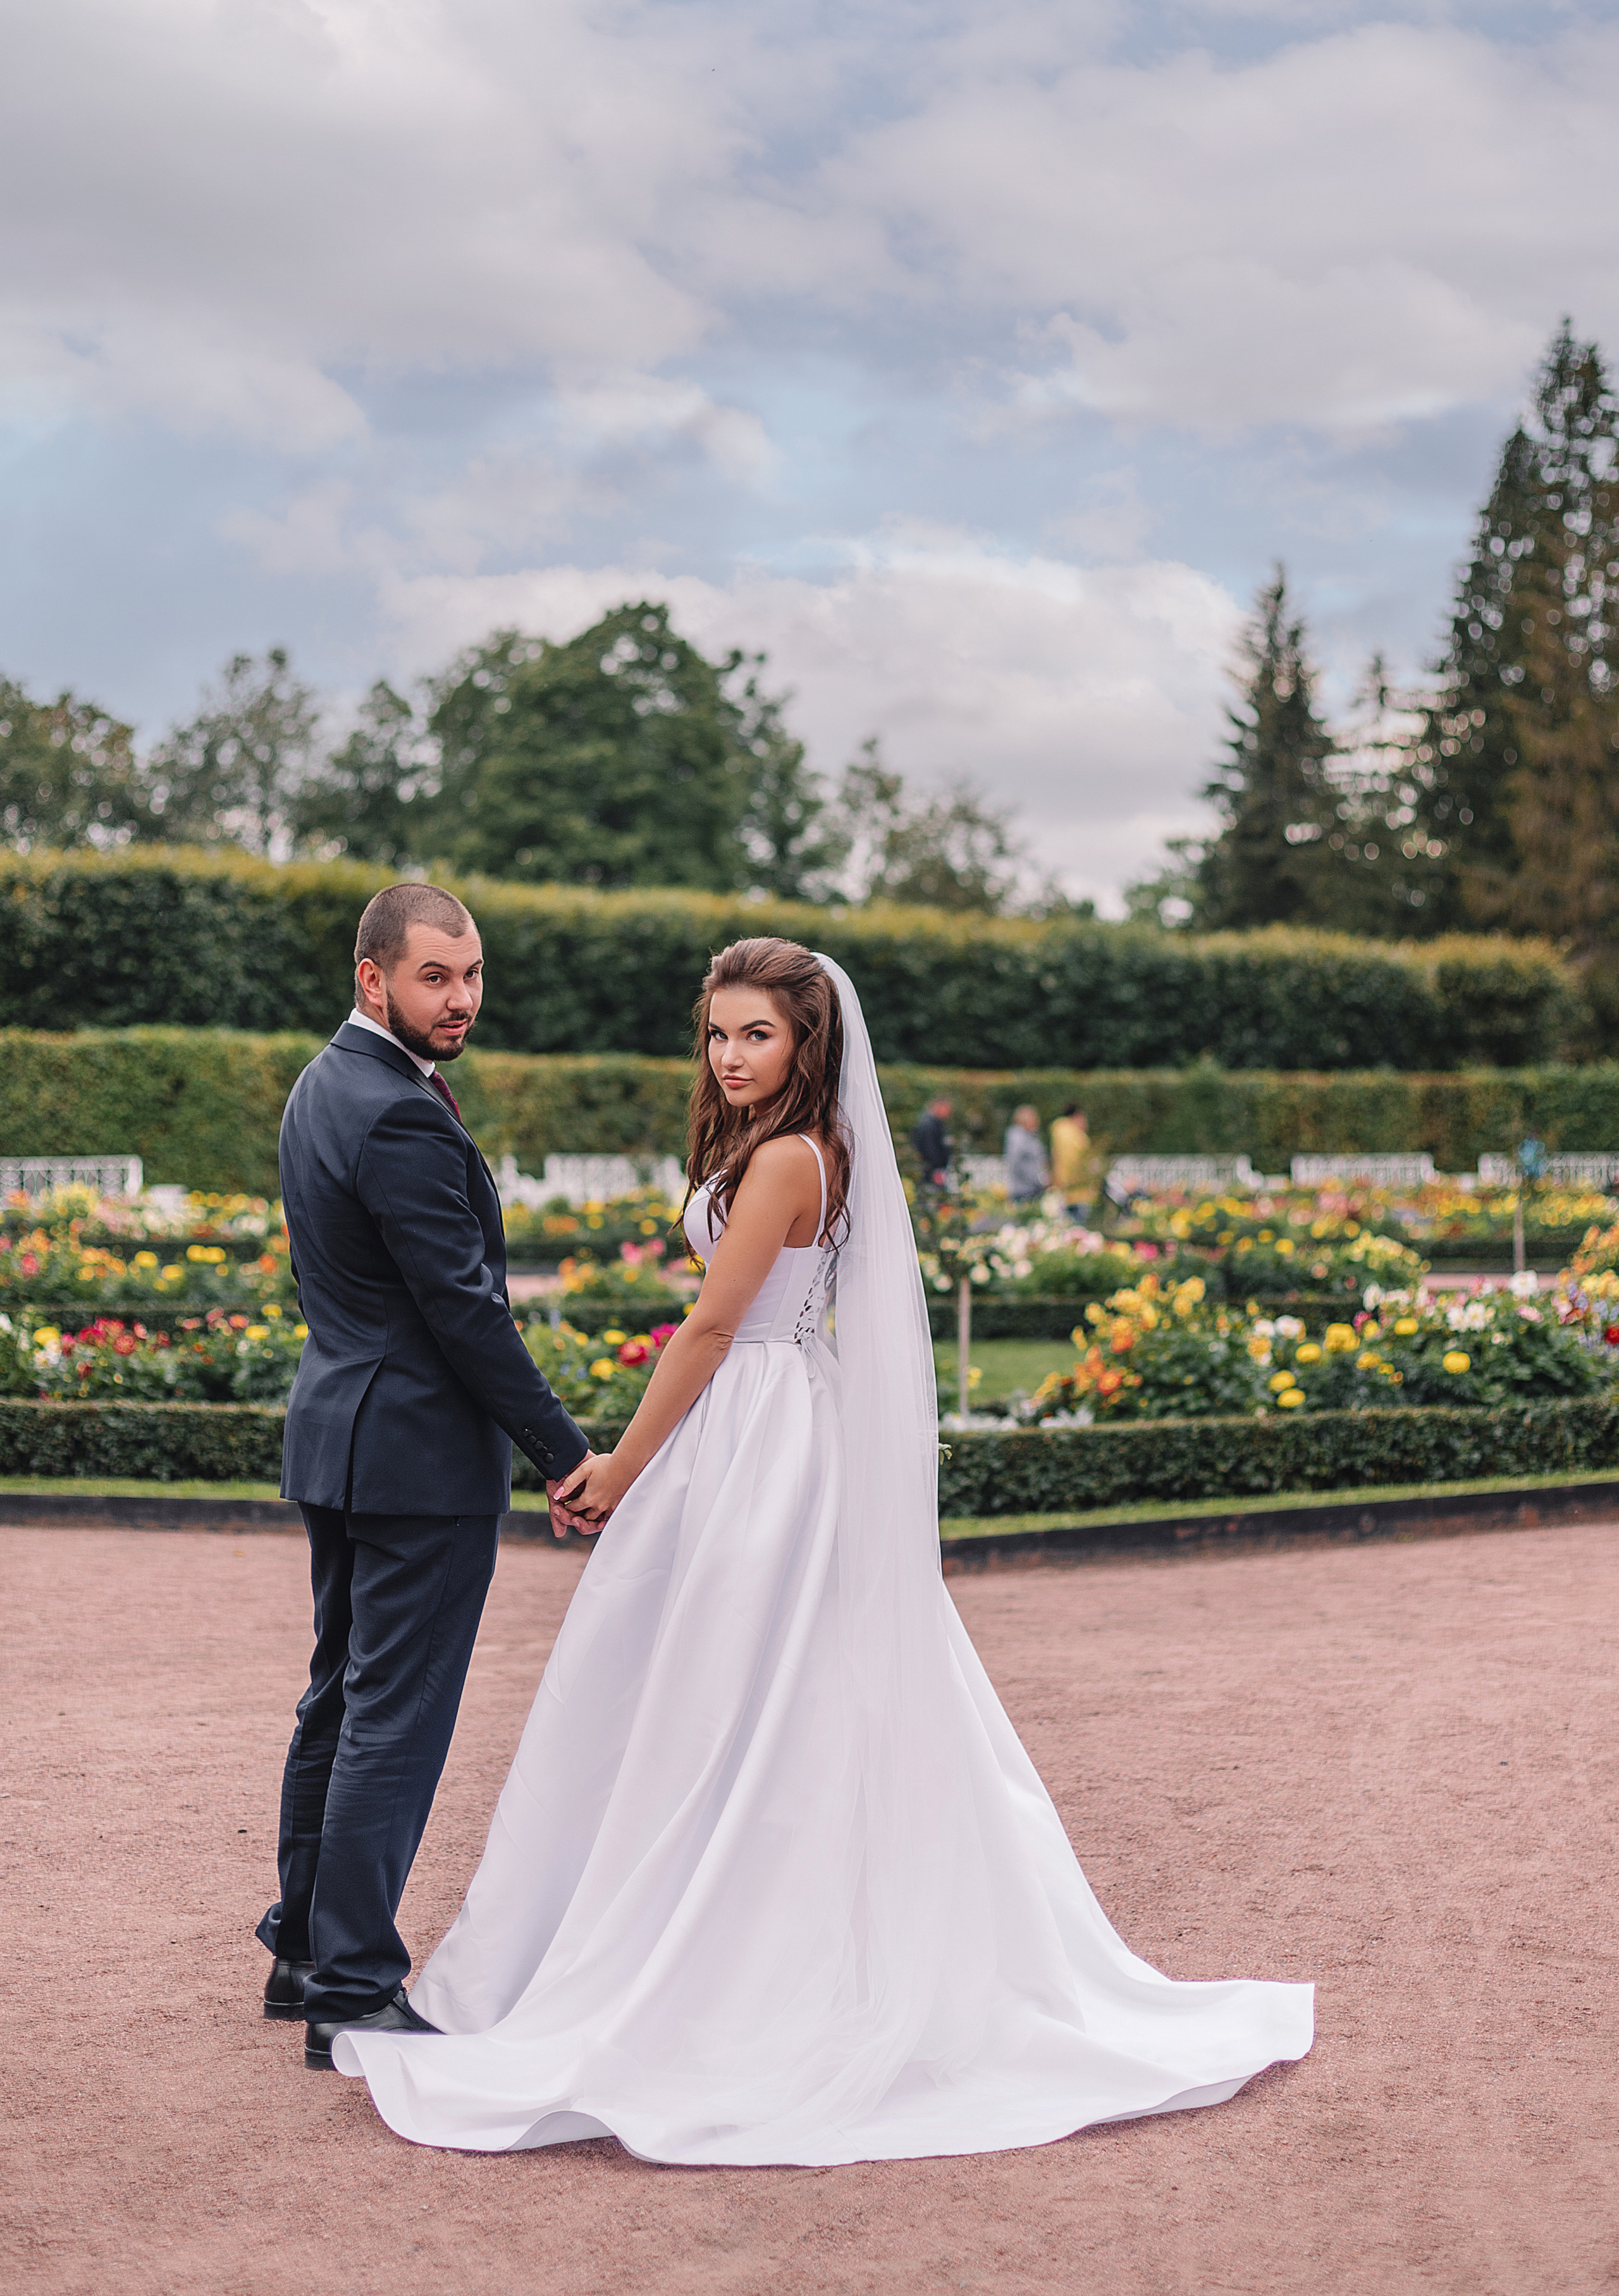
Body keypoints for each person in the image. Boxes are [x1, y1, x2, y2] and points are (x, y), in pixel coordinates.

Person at [330, 938, 1312, 2161]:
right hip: (761, 1421)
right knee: (739, 1683)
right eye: (718, 1033)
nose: (730, 1056)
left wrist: (619, 1467)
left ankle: (738, 1951)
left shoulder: (793, 1156)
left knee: (738, 1681)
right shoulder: (786, 1146)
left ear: (809, 1043)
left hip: (762, 1430)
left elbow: (710, 1327)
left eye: (758, 1035)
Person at [257, 882, 590, 2072]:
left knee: (339, 1702)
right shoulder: (397, 1111)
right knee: (390, 1719)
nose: (461, 999)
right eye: (435, 977)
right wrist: (567, 1452)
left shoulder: (323, 1084)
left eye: (472, 975)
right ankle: (352, 1986)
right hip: (416, 1460)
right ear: (374, 977)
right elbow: (465, 1311)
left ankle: (303, 1957)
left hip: (342, 1442)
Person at [1049, 1103, 1093, 1215]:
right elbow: (1084, 1163)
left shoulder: (1057, 1131)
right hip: (1078, 1188)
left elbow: (1055, 1156)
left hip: (1061, 1185)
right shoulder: (1079, 1137)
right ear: (1077, 1116)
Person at [1003, 1102, 1049, 1204]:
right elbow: (1016, 1163)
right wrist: (1038, 1180)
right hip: (1023, 1191)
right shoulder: (1018, 1138)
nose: (1037, 1122)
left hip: (1034, 1189)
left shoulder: (1031, 1137)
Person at [910, 1094, 952, 1187]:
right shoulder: (929, 1125)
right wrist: (936, 1169)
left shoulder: (936, 1124)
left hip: (936, 1169)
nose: (949, 1113)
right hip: (932, 1171)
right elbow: (929, 1148)